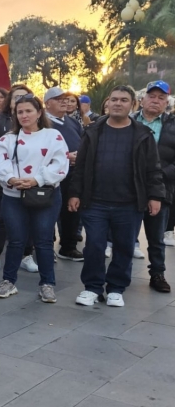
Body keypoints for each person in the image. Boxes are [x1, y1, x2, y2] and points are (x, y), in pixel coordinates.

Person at [69, 85, 166, 307]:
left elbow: (153, 169)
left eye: (123, 100)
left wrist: (155, 196)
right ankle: (92, 287)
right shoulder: (93, 131)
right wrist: (75, 193)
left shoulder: (143, 134)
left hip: (129, 204)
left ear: (132, 105)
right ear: (107, 103)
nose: (117, 103)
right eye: (114, 99)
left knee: (124, 247)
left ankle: (116, 288)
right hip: (95, 202)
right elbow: (81, 166)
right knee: (94, 246)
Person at [0, 94, 69, 302]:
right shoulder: (7, 139)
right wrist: (11, 179)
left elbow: (60, 164)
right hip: (13, 197)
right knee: (16, 240)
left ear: (39, 113)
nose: (24, 115)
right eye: (20, 112)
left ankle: (47, 284)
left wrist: (37, 180)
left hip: (45, 196)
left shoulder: (53, 136)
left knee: (43, 240)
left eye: (28, 111)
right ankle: (8, 281)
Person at [0, 84, 37, 273]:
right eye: (17, 97)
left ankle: (26, 255)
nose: (21, 101)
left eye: (25, 97)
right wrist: (8, 172)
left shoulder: (39, 126)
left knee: (29, 219)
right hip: (4, 183)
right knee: (2, 220)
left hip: (31, 183)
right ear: (10, 101)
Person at [131, 81, 174, 293]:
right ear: (142, 100)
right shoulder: (128, 121)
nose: (155, 101)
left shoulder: (172, 125)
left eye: (161, 98)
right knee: (124, 236)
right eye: (152, 96)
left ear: (167, 103)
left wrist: (159, 175)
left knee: (156, 238)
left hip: (161, 189)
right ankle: (120, 273)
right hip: (129, 189)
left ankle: (157, 274)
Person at [44, 87, 85, 262]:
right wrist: (66, 157)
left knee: (72, 211)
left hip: (73, 175)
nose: (64, 102)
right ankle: (46, 248)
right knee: (48, 213)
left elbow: (83, 142)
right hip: (50, 176)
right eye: (58, 99)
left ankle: (68, 247)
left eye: (65, 98)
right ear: (47, 104)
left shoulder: (73, 122)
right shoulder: (42, 124)